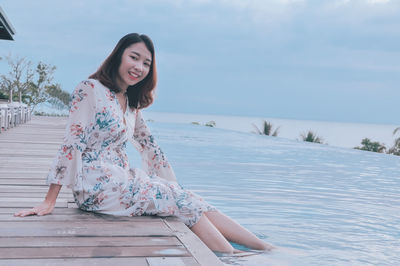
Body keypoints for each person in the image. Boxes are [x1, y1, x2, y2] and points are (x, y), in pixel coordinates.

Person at [14, 33, 273, 254]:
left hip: (123, 181)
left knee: (188, 198)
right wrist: (50, 200)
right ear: (118, 56)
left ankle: (266, 250)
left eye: (146, 63)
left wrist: (173, 184)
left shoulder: (130, 102)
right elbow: (72, 142)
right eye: (134, 57)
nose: (139, 67)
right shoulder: (90, 89)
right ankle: (233, 259)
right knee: (175, 198)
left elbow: (150, 146)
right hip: (95, 186)